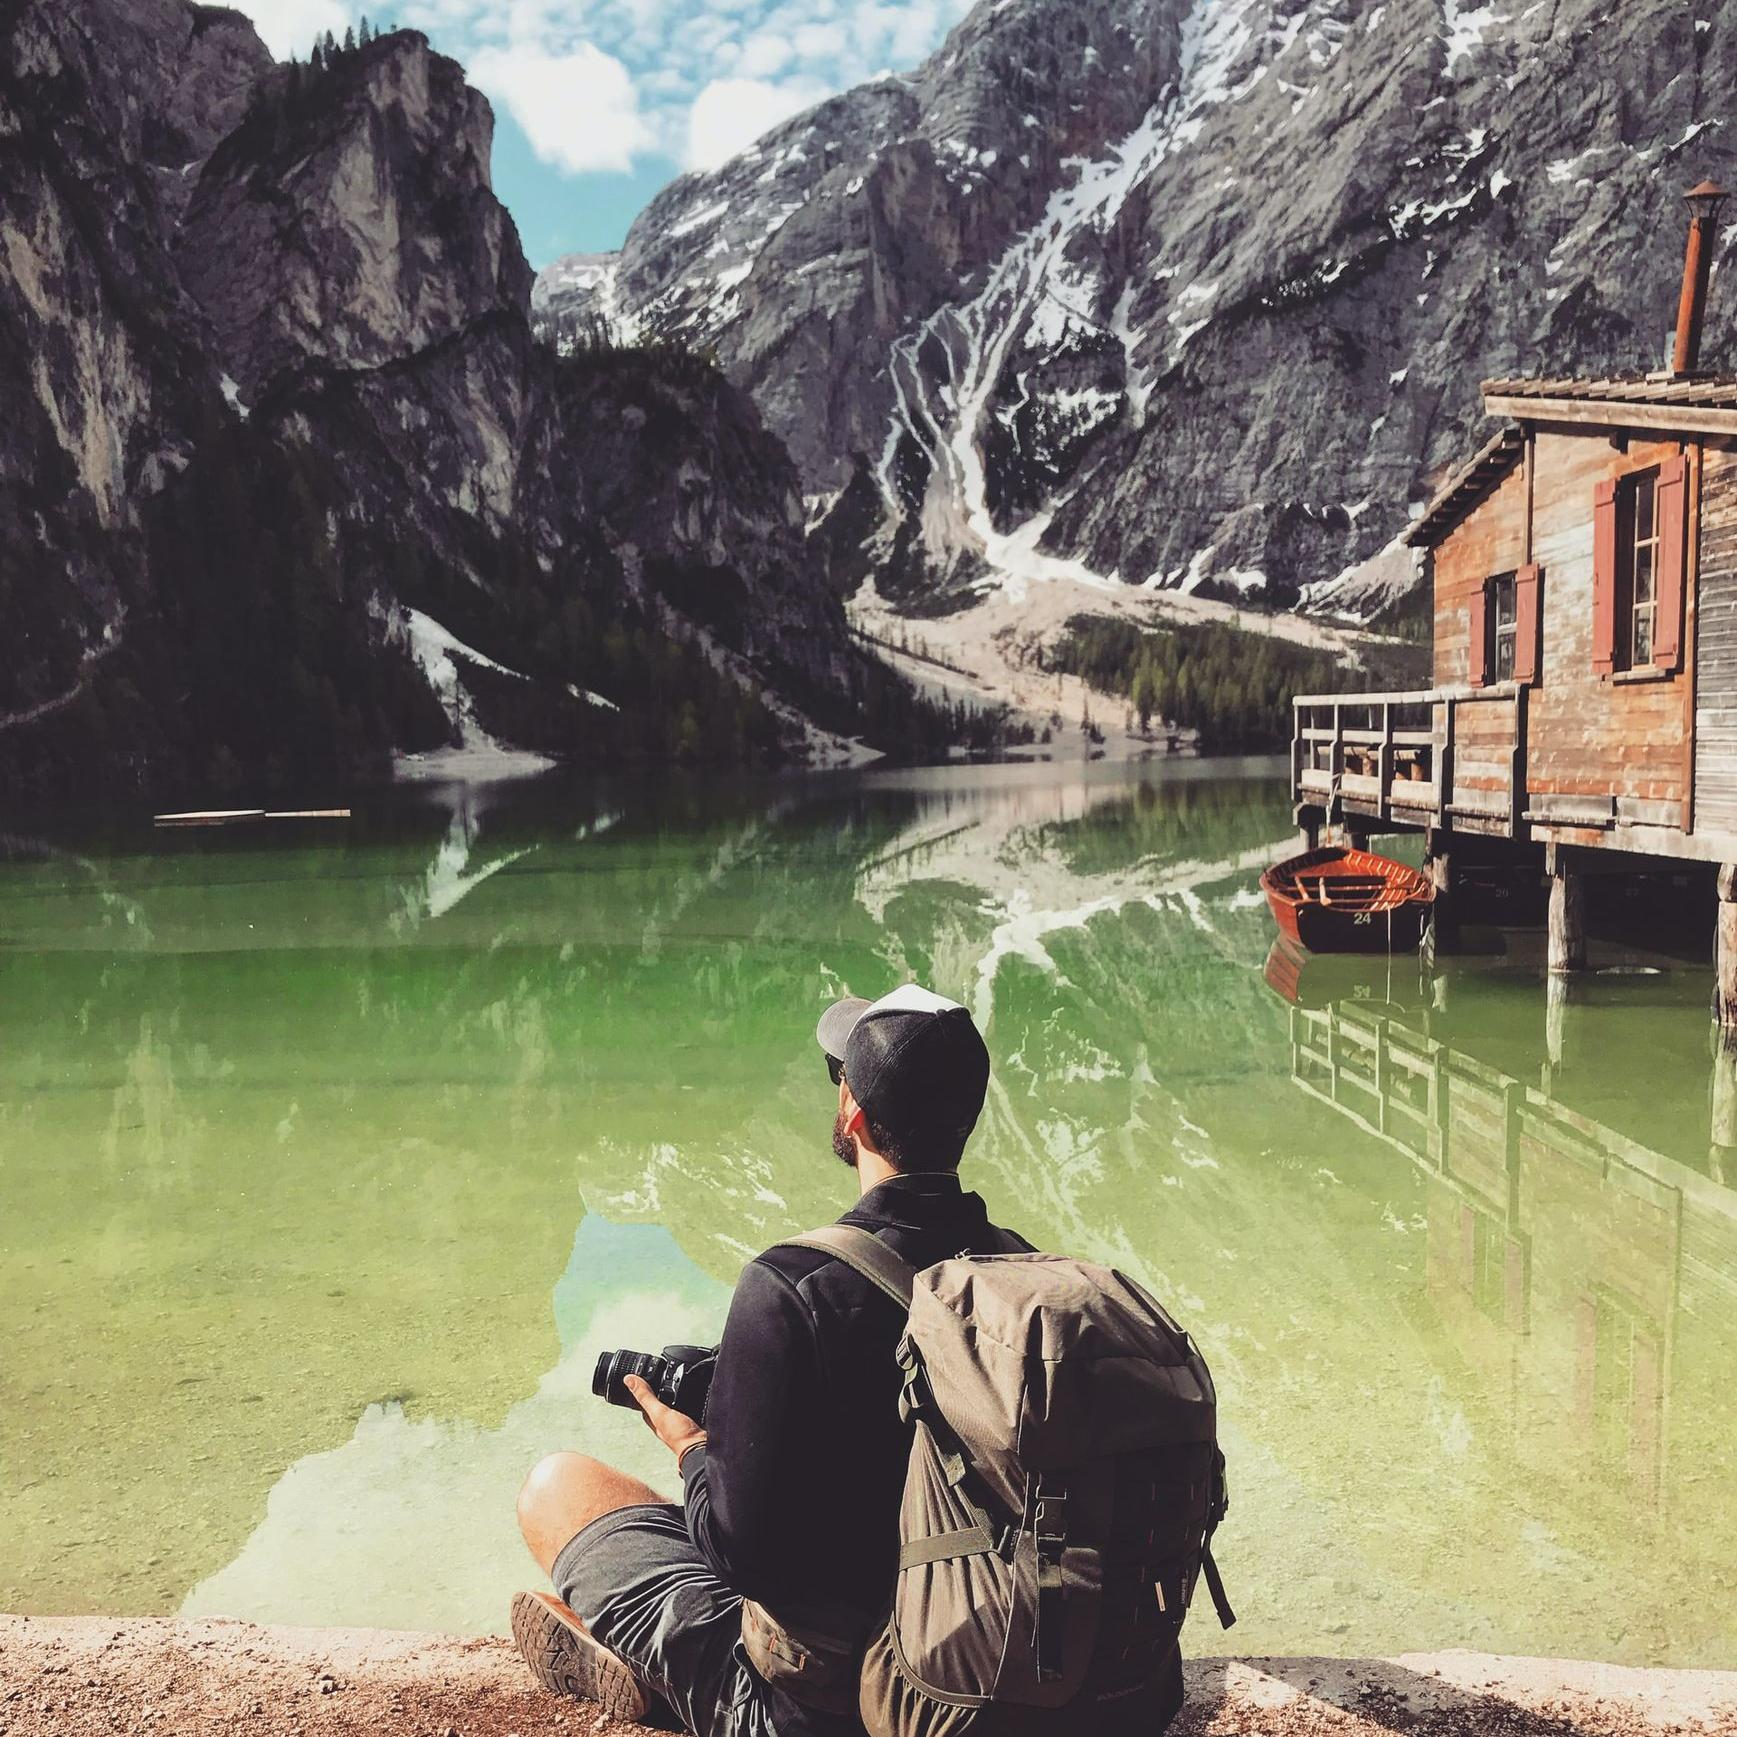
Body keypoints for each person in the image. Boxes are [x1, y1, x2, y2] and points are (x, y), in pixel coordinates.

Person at [511, 983, 1026, 1737]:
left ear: (852, 1110)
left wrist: (689, 1445)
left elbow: (739, 1559)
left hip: (829, 1709)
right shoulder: (1023, 1280)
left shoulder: (798, 1285)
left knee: (559, 1488)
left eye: (838, 1073)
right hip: (1001, 1665)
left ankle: (663, 1680)